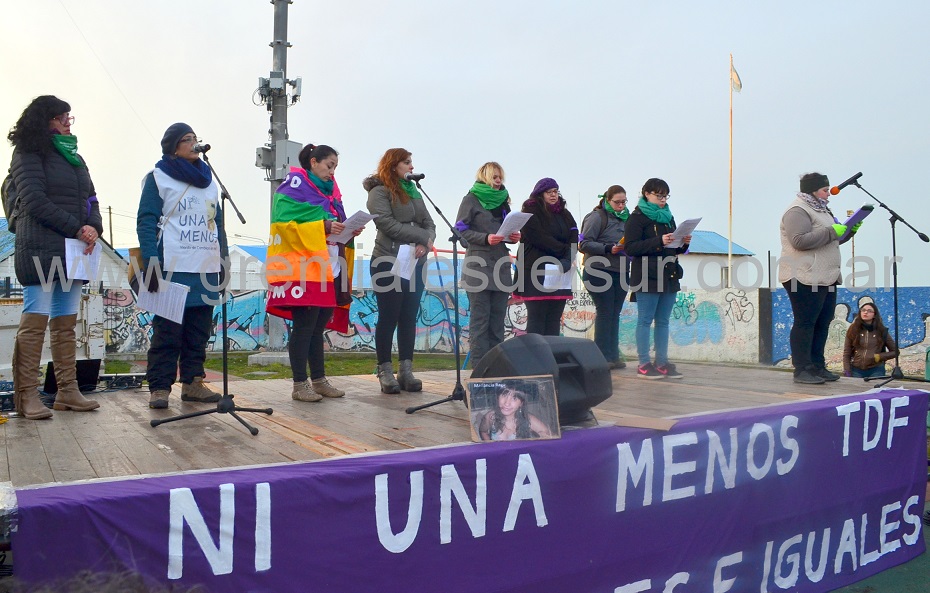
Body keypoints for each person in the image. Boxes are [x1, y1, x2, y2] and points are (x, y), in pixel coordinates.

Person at [8, 95, 102, 419]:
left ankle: (67, 392)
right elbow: (33, 200)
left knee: (66, 324)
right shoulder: (28, 153)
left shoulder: (76, 159)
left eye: (69, 118)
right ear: (44, 119)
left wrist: (93, 228)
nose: (67, 122)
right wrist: (78, 228)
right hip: (40, 249)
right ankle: (27, 397)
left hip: (74, 251)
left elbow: (92, 198)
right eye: (62, 117)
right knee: (35, 322)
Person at [137, 123, 228, 408]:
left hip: (205, 265)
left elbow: (218, 223)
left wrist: (222, 259)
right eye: (186, 139)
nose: (193, 143)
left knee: (199, 330)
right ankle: (160, 388)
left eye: (194, 138)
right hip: (172, 265)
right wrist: (151, 261)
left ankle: (193, 383)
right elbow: (147, 220)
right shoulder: (158, 177)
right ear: (173, 146)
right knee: (168, 331)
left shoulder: (210, 181)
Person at [265, 144, 362, 401]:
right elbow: (283, 223)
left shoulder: (332, 194)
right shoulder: (294, 186)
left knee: (318, 326)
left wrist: (348, 229)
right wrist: (323, 225)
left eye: (336, 168)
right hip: (303, 268)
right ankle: (299, 385)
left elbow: (332, 226)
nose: (332, 172)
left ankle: (319, 380)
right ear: (314, 162)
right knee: (304, 326)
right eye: (329, 166)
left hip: (329, 265)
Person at [364, 148, 436, 394]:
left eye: (411, 162)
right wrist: (422, 237)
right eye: (407, 163)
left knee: (409, 316)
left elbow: (430, 223)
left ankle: (406, 370)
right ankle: (384, 370)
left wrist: (424, 243)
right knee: (389, 316)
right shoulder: (379, 191)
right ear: (394, 165)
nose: (411, 167)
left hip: (415, 262)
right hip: (387, 260)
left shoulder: (414, 191)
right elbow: (386, 223)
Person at [778, 172, 858, 384]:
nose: (828, 194)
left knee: (823, 322)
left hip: (826, 276)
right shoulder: (797, 210)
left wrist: (848, 232)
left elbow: (828, 240)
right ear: (812, 190)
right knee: (806, 322)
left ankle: (817, 366)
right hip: (803, 276)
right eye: (825, 190)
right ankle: (802, 369)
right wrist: (833, 231)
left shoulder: (822, 209)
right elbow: (799, 241)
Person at [455, 162, 520, 370]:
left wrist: (513, 236)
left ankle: (497, 365)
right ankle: (480, 367)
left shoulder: (503, 201)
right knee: (480, 321)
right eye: (494, 176)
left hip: (500, 266)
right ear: (484, 176)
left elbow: (505, 229)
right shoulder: (471, 199)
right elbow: (460, 230)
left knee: (497, 321)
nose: (498, 180)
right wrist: (485, 237)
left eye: (500, 176)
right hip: (478, 267)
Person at [624, 178, 691, 380]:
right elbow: (631, 247)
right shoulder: (636, 218)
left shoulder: (668, 217)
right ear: (647, 194)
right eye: (659, 196)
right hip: (646, 274)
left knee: (663, 321)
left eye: (665, 196)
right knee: (645, 320)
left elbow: (673, 246)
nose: (663, 200)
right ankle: (643, 363)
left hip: (668, 273)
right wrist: (658, 241)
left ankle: (662, 362)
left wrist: (683, 243)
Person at [514, 178, 578, 336]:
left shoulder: (564, 213)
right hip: (535, 269)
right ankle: (536, 357)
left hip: (559, 271)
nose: (553, 195)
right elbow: (540, 238)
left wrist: (569, 257)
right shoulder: (530, 212)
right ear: (540, 194)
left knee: (554, 317)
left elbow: (574, 234)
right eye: (549, 192)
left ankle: (551, 356)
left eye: (556, 191)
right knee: (537, 316)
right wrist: (564, 250)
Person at [580, 185, 630, 369]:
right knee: (606, 310)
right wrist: (608, 248)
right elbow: (583, 243)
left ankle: (613, 355)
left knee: (615, 313)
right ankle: (602, 356)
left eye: (624, 202)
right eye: (617, 202)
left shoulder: (628, 219)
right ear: (607, 200)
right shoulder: (596, 217)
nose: (621, 205)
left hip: (621, 270)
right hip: (598, 271)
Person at [843, 301, 898, 378]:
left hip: (876, 369)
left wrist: (878, 357)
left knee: (875, 389)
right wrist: (847, 370)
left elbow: (895, 352)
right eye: (863, 310)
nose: (865, 312)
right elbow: (846, 353)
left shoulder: (882, 331)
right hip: (856, 370)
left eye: (869, 311)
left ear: (874, 315)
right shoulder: (853, 329)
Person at [478, 386, 552, 441]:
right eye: (504, 395)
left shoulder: (528, 419)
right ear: (498, 397)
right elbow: (483, 432)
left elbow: (548, 435)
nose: (507, 403)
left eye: (514, 398)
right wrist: (491, 447)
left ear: (521, 403)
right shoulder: (491, 416)